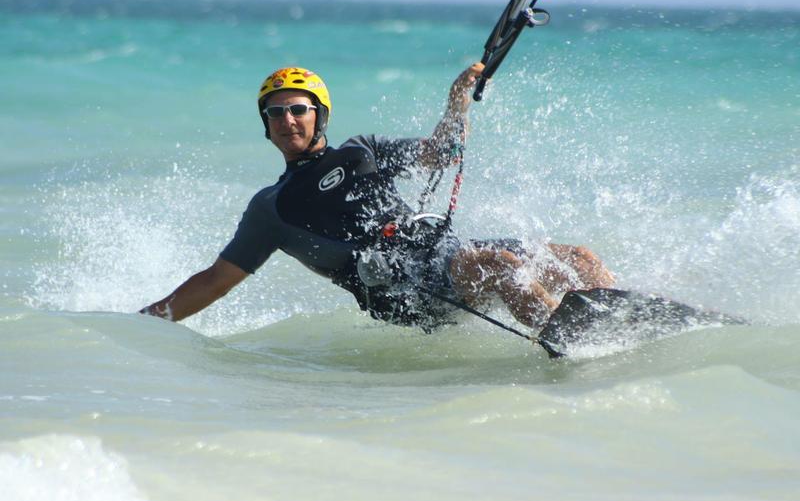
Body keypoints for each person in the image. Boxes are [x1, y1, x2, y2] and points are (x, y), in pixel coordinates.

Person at [140, 64, 614, 331]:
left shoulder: (361, 151)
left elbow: (440, 153)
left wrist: (457, 105)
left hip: (445, 254)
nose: (287, 120)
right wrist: (141, 325)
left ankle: (620, 321)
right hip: (405, 293)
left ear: (319, 115)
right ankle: (573, 340)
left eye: (298, 109)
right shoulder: (272, 209)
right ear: (266, 125)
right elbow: (216, 280)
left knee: (577, 258)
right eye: (275, 113)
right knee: (502, 266)